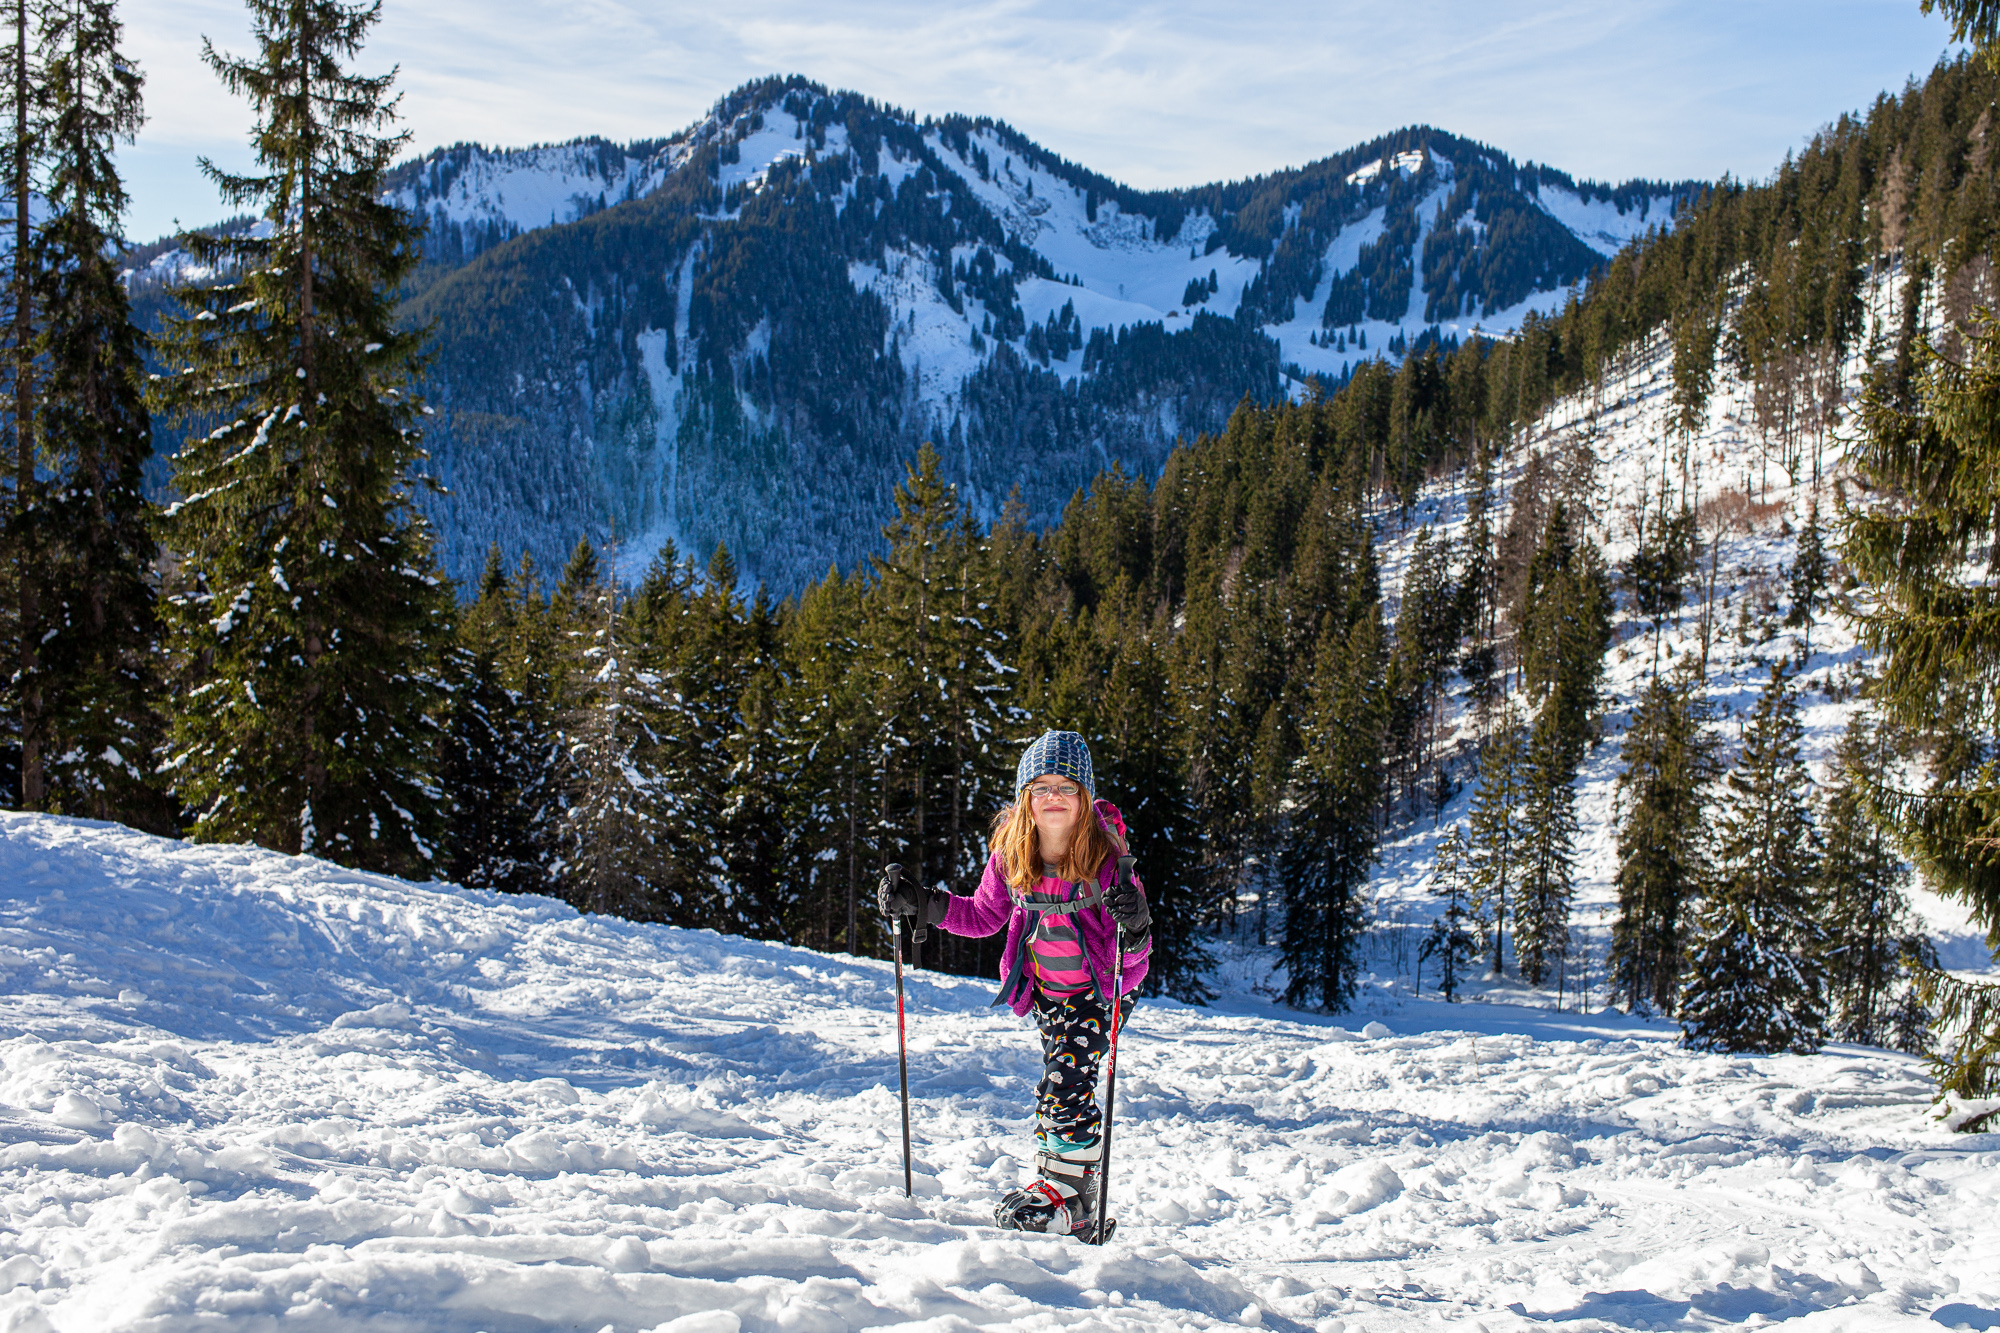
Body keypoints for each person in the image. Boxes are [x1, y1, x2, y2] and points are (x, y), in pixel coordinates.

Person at [879, 729, 1151, 1238]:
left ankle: (1073, 1201)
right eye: (1041, 786)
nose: (1054, 796)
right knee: (1056, 1084)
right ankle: (1059, 1184)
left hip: (1102, 990)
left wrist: (1136, 927)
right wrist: (922, 902)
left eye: (1066, 786)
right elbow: (983, 915)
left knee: (1067, 1081)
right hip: (1048, 991)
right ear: (1024, 796)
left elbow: (1132, 959)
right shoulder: (1011, 854)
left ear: (1085, 796)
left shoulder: (1108, 860)